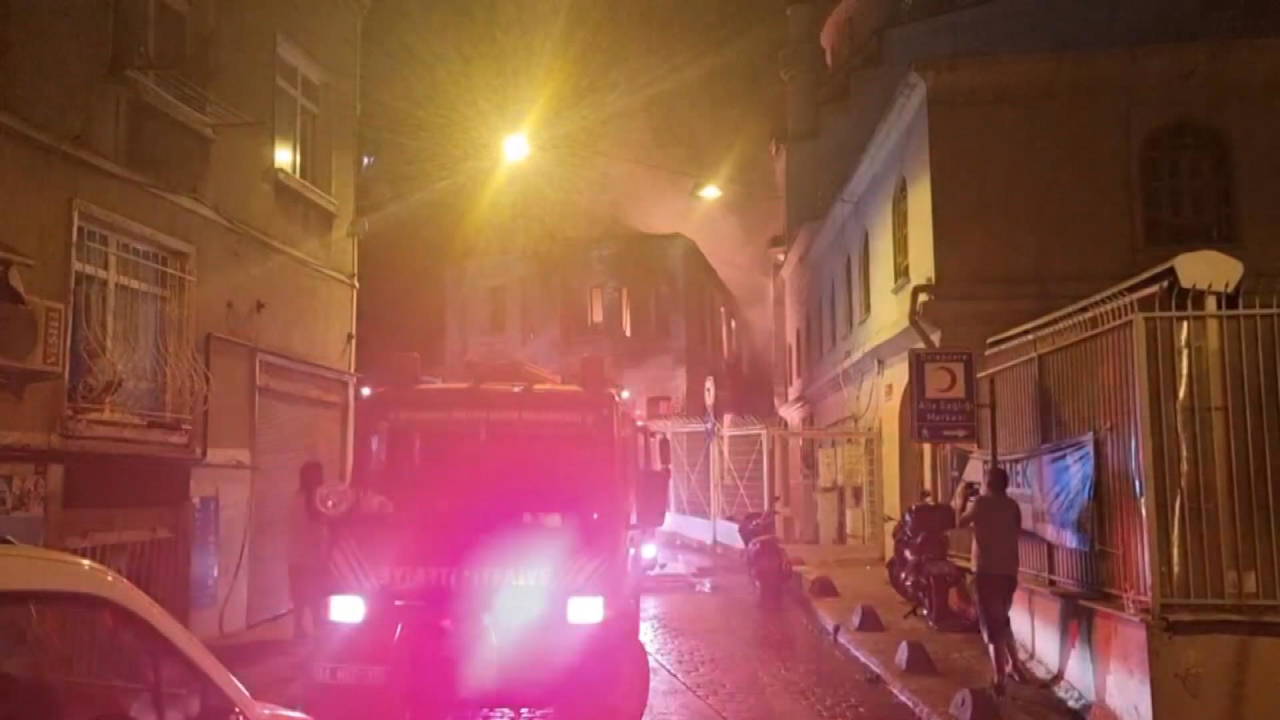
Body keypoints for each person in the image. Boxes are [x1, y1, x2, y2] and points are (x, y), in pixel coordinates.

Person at [953, 466, 1024, 695]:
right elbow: (1016, 530)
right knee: (1002, 619)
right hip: (1009, 573)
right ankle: (1015, 665)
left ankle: (999, 677)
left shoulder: (981, 504)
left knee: (991, 627)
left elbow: (959, 523)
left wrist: (961, 499)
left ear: (988, 483)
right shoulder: (1012, 505)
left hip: (987, 573)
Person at [288, 461, 329, 639]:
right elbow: (319, 527)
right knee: (315, 594)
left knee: (299, 596)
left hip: (295, 556)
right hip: (312, 557)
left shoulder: (296, 497)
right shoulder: (315, 500)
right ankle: (317, 628)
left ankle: (298, 628)